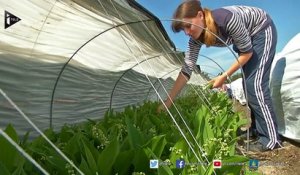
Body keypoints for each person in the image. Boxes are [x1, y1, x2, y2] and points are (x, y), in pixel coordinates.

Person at [158, 0, 282, 152]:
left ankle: (271, 139)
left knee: (254, 85)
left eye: (188, 26)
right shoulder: (195, 40)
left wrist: (223, 76)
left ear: (200, 15)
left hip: (261, 31)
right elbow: (186, 71)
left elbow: (247, 52)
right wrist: (168, 101)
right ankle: (257, 129)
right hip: (247, 41)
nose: (187, 32)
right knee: (247, 85)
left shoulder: (226, 19)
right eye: (183, 29)